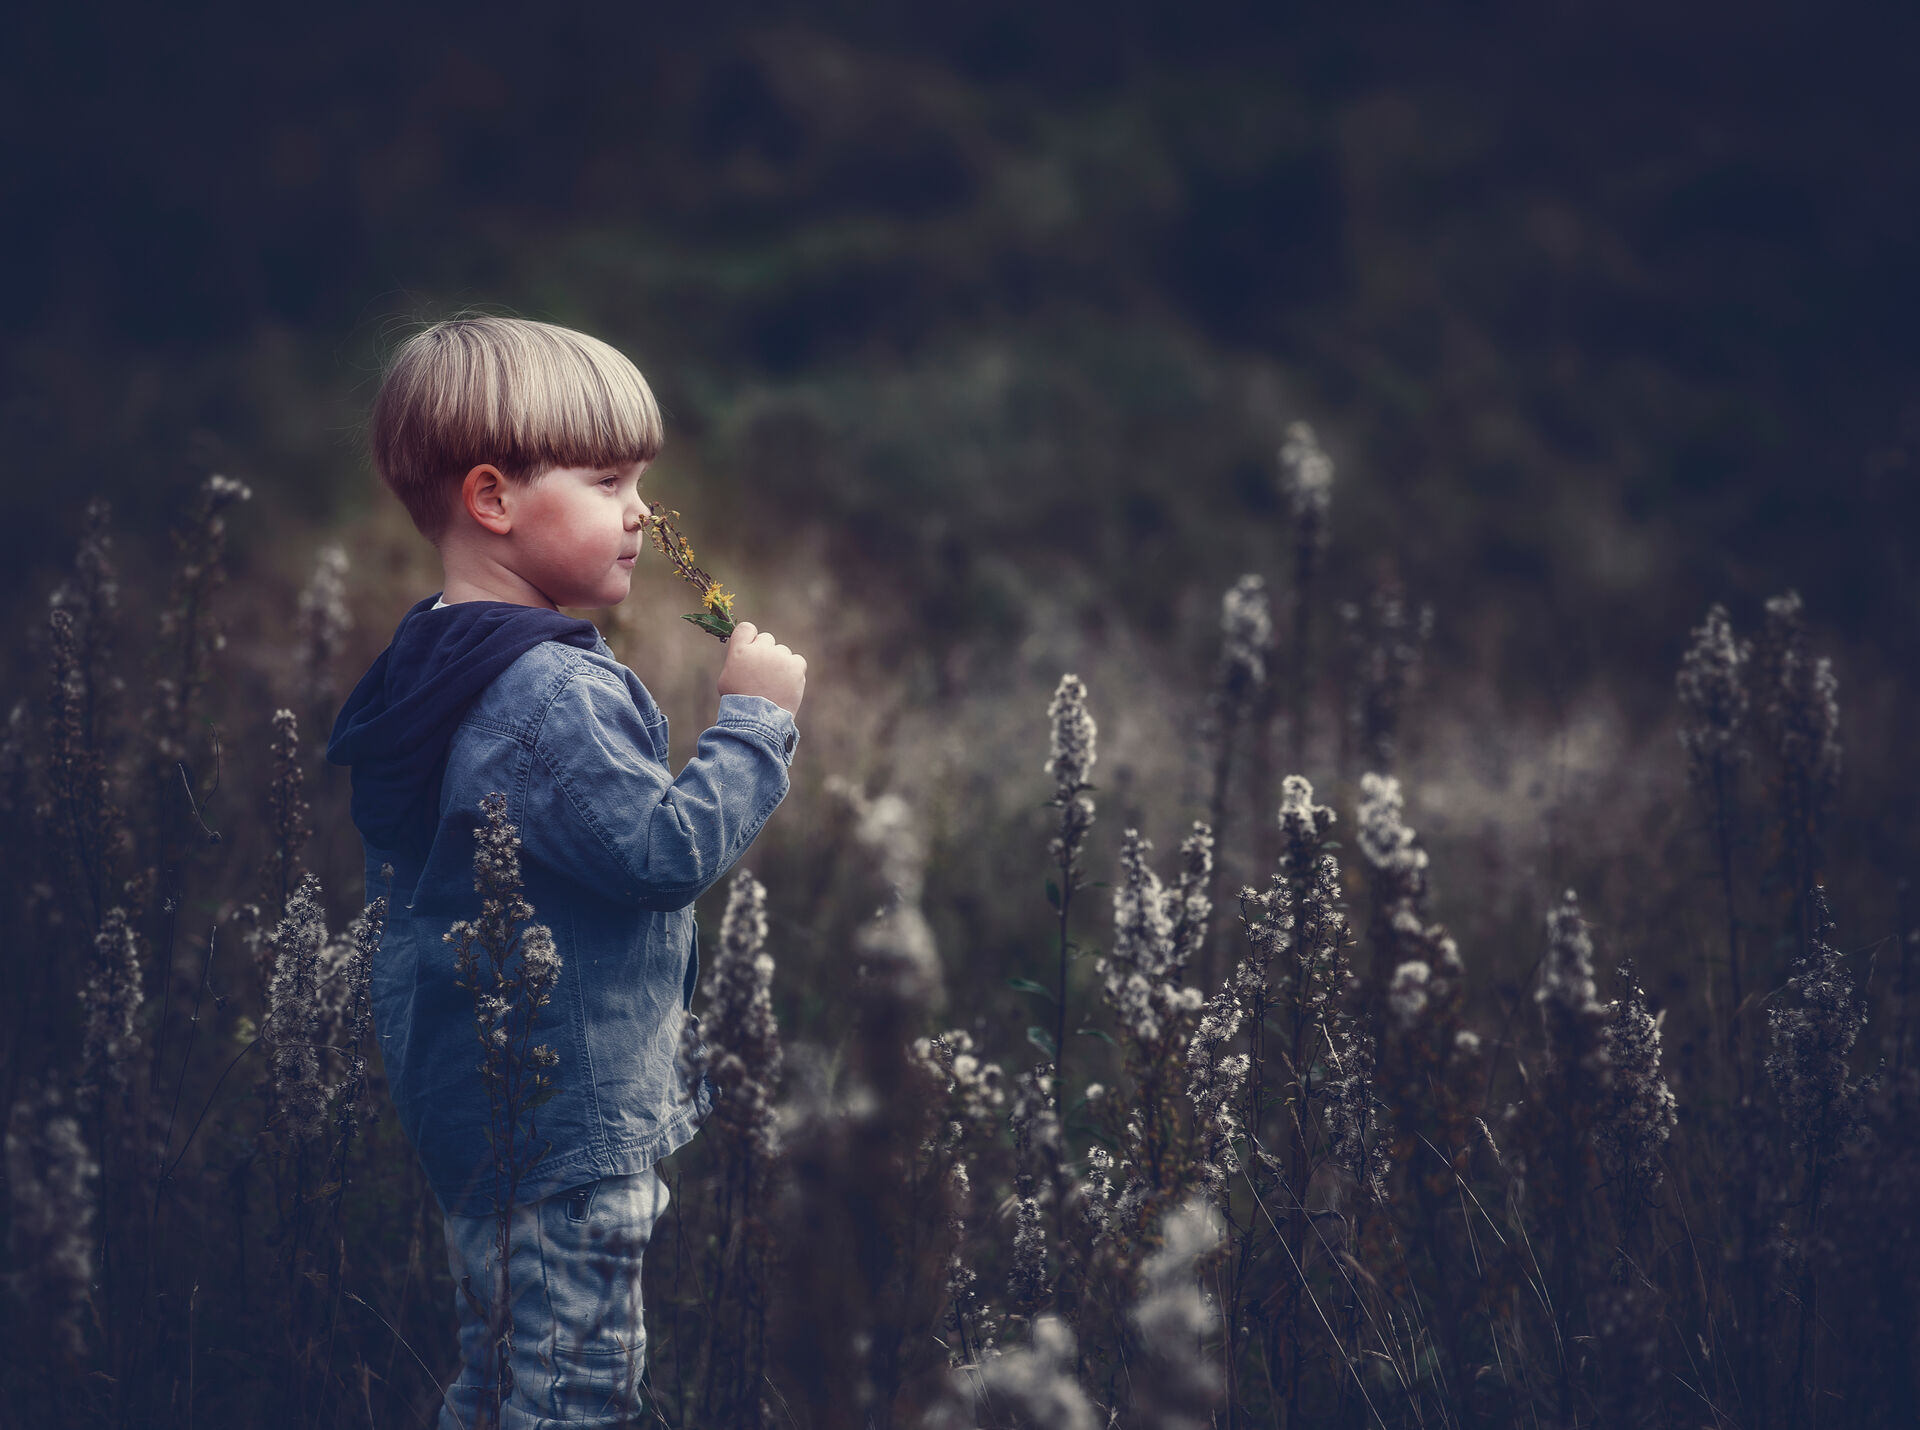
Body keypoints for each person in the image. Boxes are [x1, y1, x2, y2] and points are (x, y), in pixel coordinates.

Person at [326, 313, 806, 1426]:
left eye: (639, 480)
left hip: (484, 1113)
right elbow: (663, 853)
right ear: (492, 499)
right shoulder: (547, 691)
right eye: (607, 481)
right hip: (565, 1130)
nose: (641, 512)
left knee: (499, 1377)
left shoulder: (432, 656)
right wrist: (755, 723)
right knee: (572, 1396)